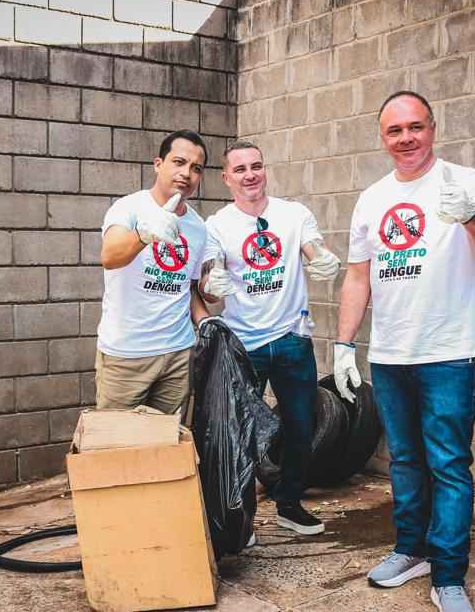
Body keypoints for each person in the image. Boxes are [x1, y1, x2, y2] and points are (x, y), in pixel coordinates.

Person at [333, 91, 475, 612]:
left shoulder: (463, 180)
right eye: (395, 130)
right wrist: (344, 344)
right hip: (390, 355)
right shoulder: (372, 198)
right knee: (405, 461)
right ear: (382, 137)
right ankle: (412, 550)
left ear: (432, 128)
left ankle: (449, 576)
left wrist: (470, 215)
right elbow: (357, 276)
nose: (406, 138)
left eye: (415, 127)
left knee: (448, 465)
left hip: (449, 352)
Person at [198, 141, 341, 536]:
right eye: (240, 169)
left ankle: (289, 504)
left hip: (292, 338)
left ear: (265, 170)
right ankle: (240, 519)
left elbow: (314, 249)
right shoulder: (217, 225)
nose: (250, 175)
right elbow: (209, 279)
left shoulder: (293, 215)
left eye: (256, 166)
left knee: (300, 426)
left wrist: (323, 260)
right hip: (245, 344)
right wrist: (212, 285)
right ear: (226, 178)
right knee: (240, 432)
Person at [95, 130, 212, 415]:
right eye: (179, 162)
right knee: (117, 440)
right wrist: (143, 234)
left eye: (196, 168)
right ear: (158, 164)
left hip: (178, 354)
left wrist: (207, 318)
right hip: (127, 355)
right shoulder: (129, 208)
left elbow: (187, 287)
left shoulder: (198, 227)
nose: (186, 173)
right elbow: (109, 257)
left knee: (169, 439)